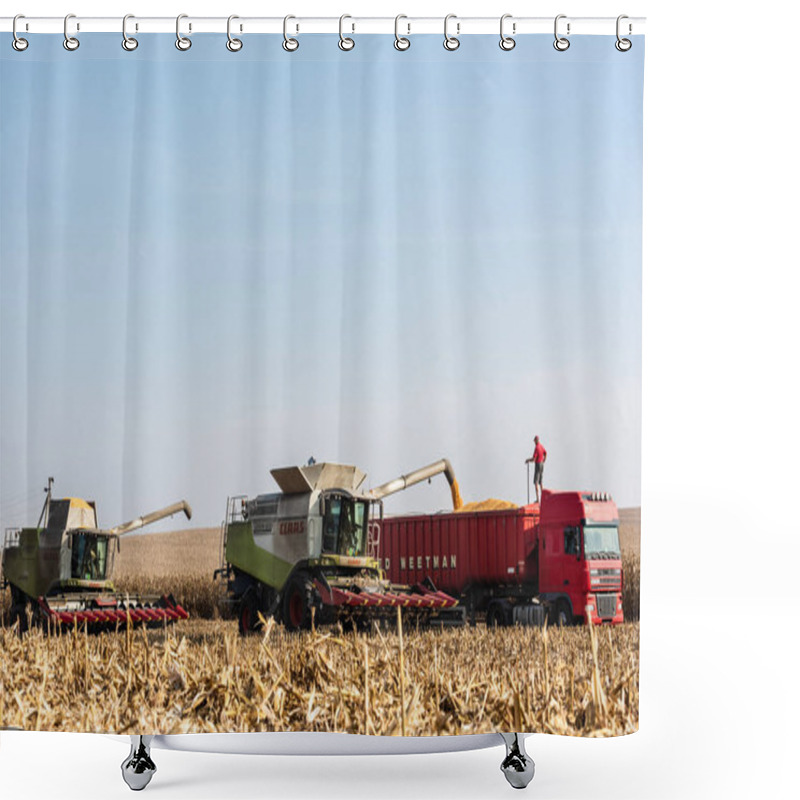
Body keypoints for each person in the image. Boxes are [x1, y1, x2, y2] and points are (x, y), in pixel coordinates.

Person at [525, 435, 547, 503]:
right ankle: (543, 498)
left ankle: (538, 499)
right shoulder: (541, 446)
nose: (534, 442)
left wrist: (528, 460)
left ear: (536, 440)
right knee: (540, 482)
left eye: (534, 441)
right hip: (541, 464)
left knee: (536, 482)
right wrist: (544, 461)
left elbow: (534, 459)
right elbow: (545, 453)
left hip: (538, 464)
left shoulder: (537, 447)